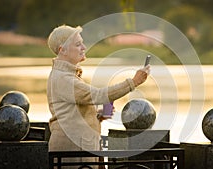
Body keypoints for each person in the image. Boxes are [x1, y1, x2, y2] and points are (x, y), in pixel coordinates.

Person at [47, 25, 150, 168]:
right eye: (78, 44)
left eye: (82, 42)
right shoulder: (64, 78)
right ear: (62, 50)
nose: (83, 47)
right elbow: (99, 95)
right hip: (73, 152)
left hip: (79, 148)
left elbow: (71, 113)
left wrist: (96, 116)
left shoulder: (66, 75)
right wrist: (134, 82)